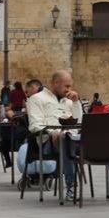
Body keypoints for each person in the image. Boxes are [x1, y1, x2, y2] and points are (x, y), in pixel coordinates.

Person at [26, 70, 84, 198]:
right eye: (67, 86)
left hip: (72, 138)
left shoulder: (68, 101)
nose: (69, 90)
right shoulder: (37, 99)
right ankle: (71, 186)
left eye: (70, 86)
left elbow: (79, 123)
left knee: (103, 140)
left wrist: (76, 103)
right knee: (65, 139)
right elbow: (35, 125)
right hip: (48, 142)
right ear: (55, 83)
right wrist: (51, 132)